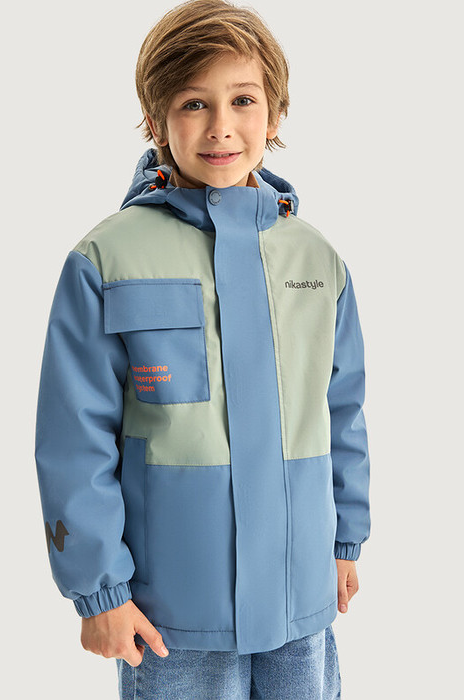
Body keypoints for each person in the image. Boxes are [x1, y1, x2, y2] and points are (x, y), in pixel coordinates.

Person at [34, 0, 371, 697]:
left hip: (300, 594)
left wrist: (344, 540)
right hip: (172, 615)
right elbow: (74, 438)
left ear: (274, 115)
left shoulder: (316, 260)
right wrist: (99, 591)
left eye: (243, 100)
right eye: (193, 103)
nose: (220, 127)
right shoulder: (106, 260)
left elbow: (341, 412)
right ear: (154, 121)